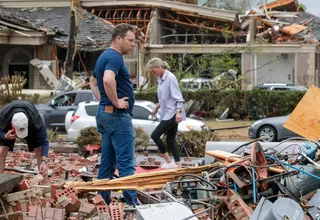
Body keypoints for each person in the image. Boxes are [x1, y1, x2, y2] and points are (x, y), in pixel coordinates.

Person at [89, 23, 139, 205]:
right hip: (117, 116)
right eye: (130, 40)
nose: (133, 44)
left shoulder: (104, 56)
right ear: (118, 39)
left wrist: (104, 101)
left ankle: (101, 202)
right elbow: (107, 80)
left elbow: (92, 83)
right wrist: (115, 101)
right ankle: (133, 204)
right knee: (126, 163)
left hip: (105, 115)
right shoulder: (115, 57)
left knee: (107, 163)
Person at [147, 57, 186, 169]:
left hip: (173, 113)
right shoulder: (161, 79)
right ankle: (178, 165)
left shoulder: (170, 78)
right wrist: (156, 109)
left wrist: (178, 112)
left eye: (153, 70)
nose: (153, 73)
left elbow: (178, 97)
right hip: (167, 112)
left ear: (159, 67)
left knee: (155, 135)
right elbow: (164, 98)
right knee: (170, 140)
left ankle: (169, 162)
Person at [0, 100, 49, 178]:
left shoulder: (36, 121)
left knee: (39, 150)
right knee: (2, 150)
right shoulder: (3, 117)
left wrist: (44, 161)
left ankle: (44, 181)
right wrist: (4, 136)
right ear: (12, 125)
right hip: (8, 123)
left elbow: (44, 141)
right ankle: (0, 179)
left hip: (31, 123)